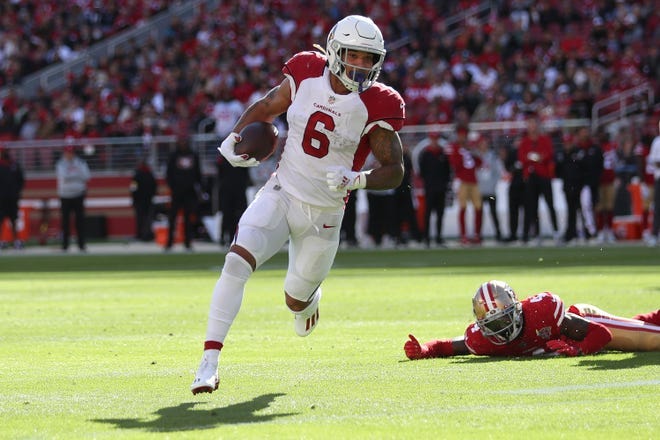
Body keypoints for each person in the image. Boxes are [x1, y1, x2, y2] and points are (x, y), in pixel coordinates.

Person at [191, 15, 406, 394]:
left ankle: (307, 302)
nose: (361, 65)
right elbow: (268, 105)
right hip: (283, 192)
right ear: (336, 52)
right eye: (354, 55)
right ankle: (208, 362)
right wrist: (235, 136)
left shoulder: (378, 102)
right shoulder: (307, 70)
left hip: (325, 215)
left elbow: (395, 169)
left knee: (294, 299)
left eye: (369, 58)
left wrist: (360, 179)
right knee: (236, 261)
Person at [404, 280, 660, 360]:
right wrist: (423, 350)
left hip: (582, 321)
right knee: (641, 324)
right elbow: (447, 346)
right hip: (571, 332)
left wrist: (578, 350)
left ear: (516, 309)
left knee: (651, 339)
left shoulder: (542, 311)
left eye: (502, 319)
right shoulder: (482, 340)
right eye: (492, 325)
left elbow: (602, 334)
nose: (501, 329)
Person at [518, 115, 560, 244]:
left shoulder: (545, 139)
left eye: (533, 124)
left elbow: (548, 155)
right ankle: (536, 234)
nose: (532, 127)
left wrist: (534, 157)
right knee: (532, 207)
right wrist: (534, 158)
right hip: (531, 177)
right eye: (530, 124)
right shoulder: (524, 141)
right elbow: (522, 158)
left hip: (544, 176)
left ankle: (556, 232)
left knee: (550, 204)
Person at [165, 133, 202, 251]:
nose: (183, 143)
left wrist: (199, 188)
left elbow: (198, 173)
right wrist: (173, 186)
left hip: (189, 192)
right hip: (176, 192)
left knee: (188, 219)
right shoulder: (173, 156)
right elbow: (168, 173)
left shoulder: (193, 155)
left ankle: (187, 243)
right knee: (172, 218)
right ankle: (169, 243)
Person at [417, 131, 451, 247]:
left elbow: (447, 171)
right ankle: (426, 238)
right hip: (430, 188)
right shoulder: (426, 154)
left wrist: (445, 184)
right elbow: (422, 172)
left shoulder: (442, 154)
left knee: (440, 214)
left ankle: (438, 238)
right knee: (428, 214)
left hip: (441, 188)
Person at [449, 125, 482, 245]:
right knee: (463, 207)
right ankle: (463, 235)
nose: (463, 137)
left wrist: (472, 151)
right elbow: (455, 164)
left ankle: (477, 234)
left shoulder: (470, 147)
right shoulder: (454, 147)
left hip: (473, 180)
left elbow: (479, 162)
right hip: (462, 180)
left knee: (478, 207)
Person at [56, 145, 90, 252]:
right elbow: (64, 177)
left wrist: (73, 175)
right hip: (65, 195)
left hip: (79, 194)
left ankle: (81, 245)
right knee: (65, 221)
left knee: (80, 221)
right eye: (67, 152)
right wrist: (76, 175)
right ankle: (65, 245)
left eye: (71, 152)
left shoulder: (80, 162)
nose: (69, 155)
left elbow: (87, 176)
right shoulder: (60, 164)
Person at [216, 153, 251, 247]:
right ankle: (223, 237)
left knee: (238, 215)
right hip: (227, 190)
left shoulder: (241, 157)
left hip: (238, 190)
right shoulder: (223, 157)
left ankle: (235, 238)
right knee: (227, 214)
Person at [475, 135, 504, 242]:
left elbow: (498, 172)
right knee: (479, 214)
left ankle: (498, 234)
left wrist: (493, 184)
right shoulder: (476, 156)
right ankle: (478, 234)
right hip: (479, 190)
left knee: (493, 213)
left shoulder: (492, 156)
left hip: (491, 190)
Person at [0, 146, 25, 249]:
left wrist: (16, 192)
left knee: (14, 220)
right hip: (1, 198)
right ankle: (1, 241)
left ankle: (16, 241)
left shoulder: (14, 165)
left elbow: (21, 180)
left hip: (12, 198)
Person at [130, 158, 157, 242]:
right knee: (148, 218)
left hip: (139, 201)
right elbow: (154, 187)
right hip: (149, 200)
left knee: (140, 219)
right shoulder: (150, 175)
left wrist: (134, 199)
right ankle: (148, 234)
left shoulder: (136, 176)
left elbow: (133, 188)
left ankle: (140, 235)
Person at [646, 120, 660, 246]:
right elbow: (655, 161)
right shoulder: (657, 142)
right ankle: (655, 234)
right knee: (658, 207)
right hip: (659, 178)